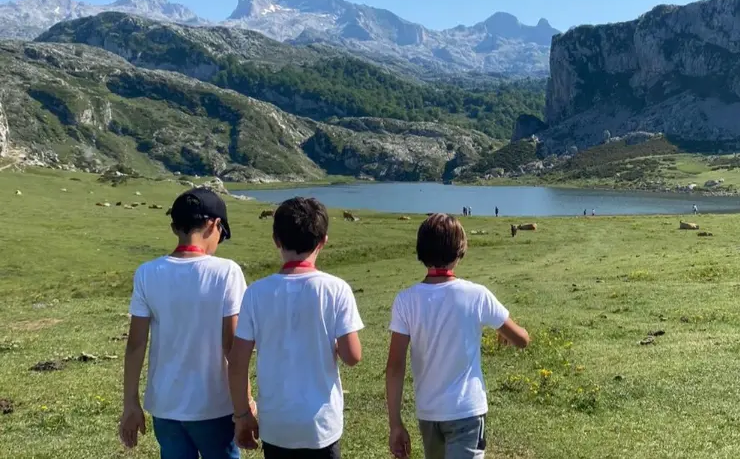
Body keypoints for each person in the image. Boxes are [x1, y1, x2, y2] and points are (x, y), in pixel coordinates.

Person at [228, 197, 364, 458]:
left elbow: (237, 362)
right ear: (323, 241)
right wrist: (333, 345)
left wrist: (242, 415)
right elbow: (353, 356)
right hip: (321, 425)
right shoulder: (336, 289)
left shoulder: (256, 293)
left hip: (276, 426)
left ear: (276, 240)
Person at [386, 214, 530, 459]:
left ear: (420, 251)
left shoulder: (405, 300)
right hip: (467, 411)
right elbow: (521, 339)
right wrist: (507, 331)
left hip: (429, 413)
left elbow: (395, 366)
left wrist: (395, 424)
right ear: (461, 251)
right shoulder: (477, 295)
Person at [119, 188, 247, 459]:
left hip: (165, 407)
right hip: (215, 406)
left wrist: (130, 402)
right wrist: (244, 405)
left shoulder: (147, 273)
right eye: (221, 236)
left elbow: (135, 345)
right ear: (215, 225)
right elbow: (231, 346)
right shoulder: (227, 272)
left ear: (174, 226)